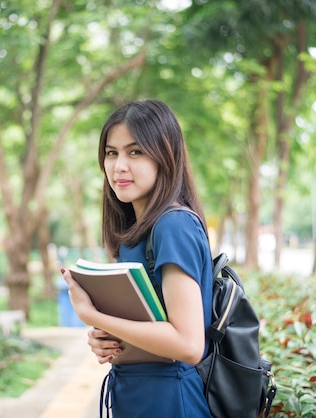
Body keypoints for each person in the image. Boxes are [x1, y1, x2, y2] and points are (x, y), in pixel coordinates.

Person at [61, 99, 213, 418]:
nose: (119, 166)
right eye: (111, 152)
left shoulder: (173, 225)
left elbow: (188, 344)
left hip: (171, 402)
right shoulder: (138, 230)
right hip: (137, 396)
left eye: (135, 152)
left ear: (165, 156)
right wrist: (111, 342)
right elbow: (149, 325)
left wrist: (93, 316)